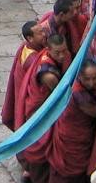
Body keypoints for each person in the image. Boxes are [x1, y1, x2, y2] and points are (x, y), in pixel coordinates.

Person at [17, 34, 71, 183]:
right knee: (39, 144)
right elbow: (60, 98)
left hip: (42, 104)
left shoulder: (48, 56)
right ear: (48, 49)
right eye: (57, 53)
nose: (62, 56)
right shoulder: (49, 75)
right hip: (40, 112)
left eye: (64, 51)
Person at [49, 60, 96, 183]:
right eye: (87, 79)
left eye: (95, 78)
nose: (91, 83)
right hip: (72, 138)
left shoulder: (84, 87)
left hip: (78, 134)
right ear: (80, 76)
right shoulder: (79, 94)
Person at [1, 20, 47, 132]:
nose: (44, 35)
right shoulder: (32, 59)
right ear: (30, 38)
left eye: (43, 31)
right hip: (29, 103)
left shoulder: (27, 46)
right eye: (40, 33)